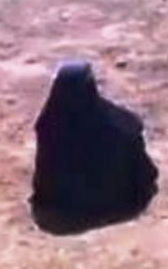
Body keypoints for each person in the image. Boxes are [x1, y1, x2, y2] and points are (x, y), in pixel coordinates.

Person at [29, 61, 158, 234]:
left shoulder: (49, 123)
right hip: (114, 205)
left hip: (60, 205)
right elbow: (132, 128)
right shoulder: (113, 124)